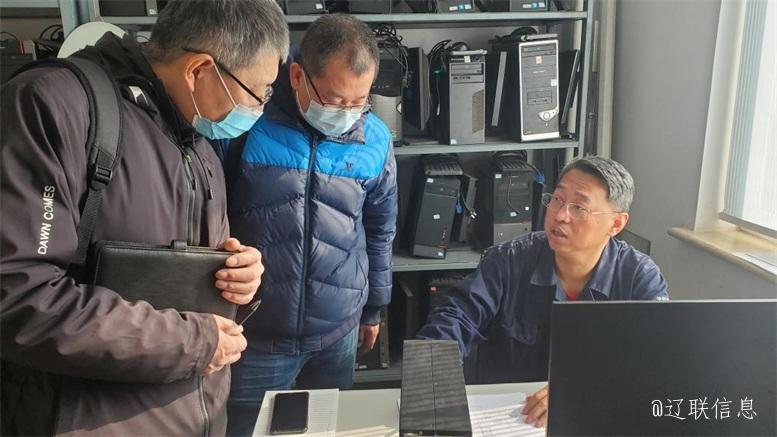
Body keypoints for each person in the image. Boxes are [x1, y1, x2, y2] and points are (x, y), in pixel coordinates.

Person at [0, 1, 289, 435]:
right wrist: (193, 342)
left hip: (193, 417)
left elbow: (186, 268)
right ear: (198, 71)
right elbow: (19, 295)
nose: (260, 107)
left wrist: (238, 277)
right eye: (259, 92)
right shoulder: (54, 106)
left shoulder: (197, 141)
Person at [217, 14, 397, 436]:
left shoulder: (374, 138)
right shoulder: (245, 123)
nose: (347, 114)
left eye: (359, 101)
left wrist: (374, 308)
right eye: (334, 100)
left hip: (337, 332)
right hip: (256, 335)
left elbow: (380, 227)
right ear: (298, 76)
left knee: (327, 428)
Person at [416, 156, 669, 428]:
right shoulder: (509, 260)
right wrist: (431, 374)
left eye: (579, 207)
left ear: (616, 224)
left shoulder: (638, 278)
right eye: (557, 199)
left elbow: (657, 363)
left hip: (594, 418)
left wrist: (581, 392)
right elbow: (456, 316)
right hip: (508, 420)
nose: (560, 215)